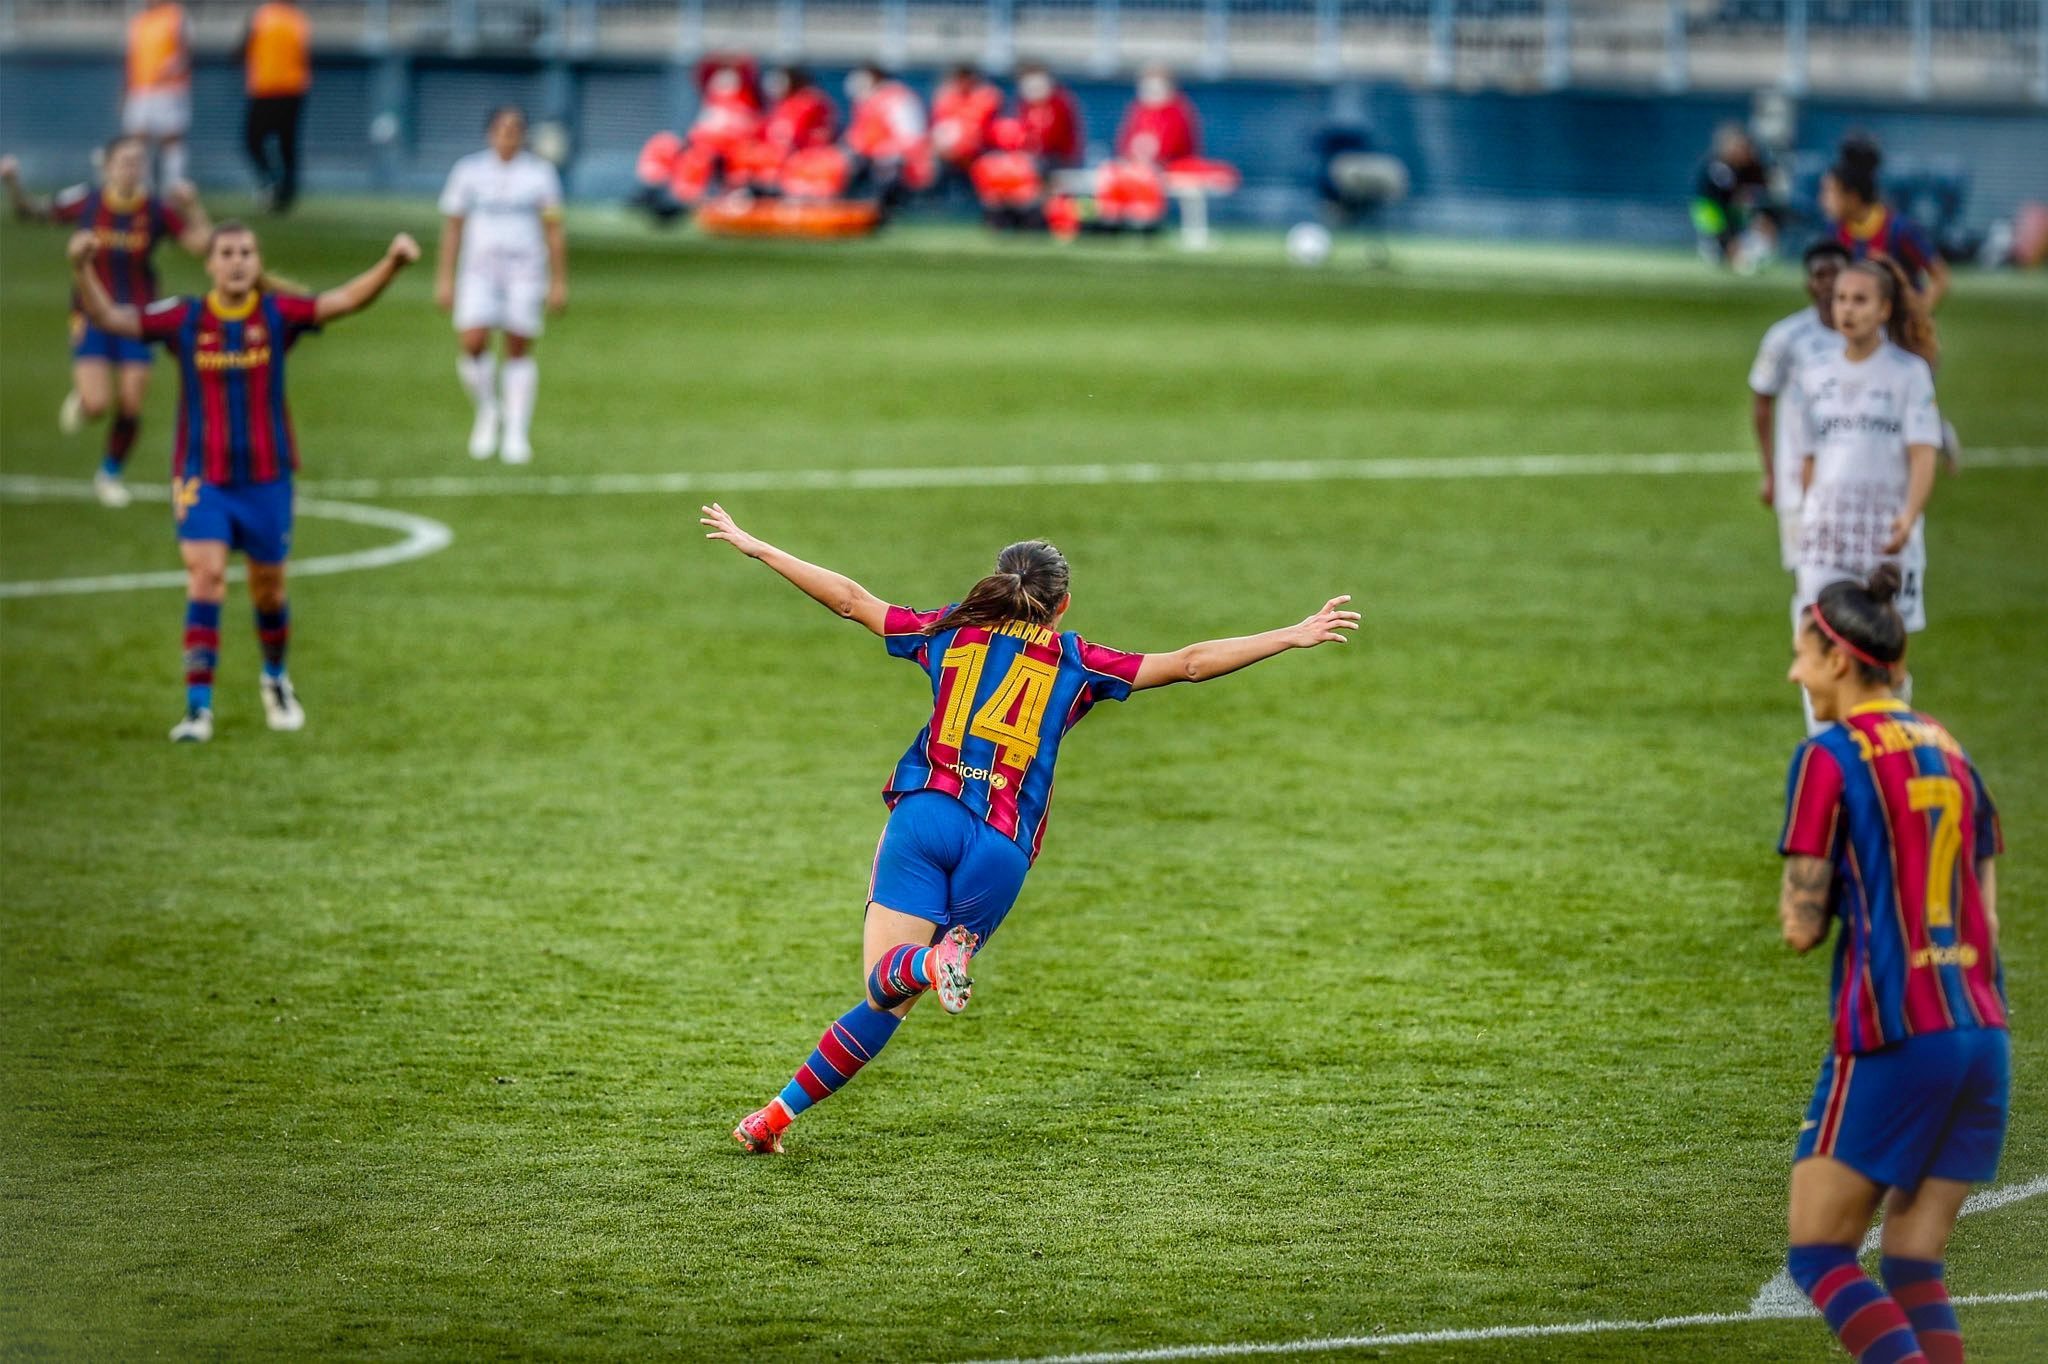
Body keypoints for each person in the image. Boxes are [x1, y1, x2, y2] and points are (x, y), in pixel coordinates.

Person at [700, 506, 1360, 1154]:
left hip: (928, 813)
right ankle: (775, 1118)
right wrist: (1289, 634)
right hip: (1002, 849)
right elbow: (1187, 662)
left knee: (884, 985)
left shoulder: (947, 632)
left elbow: (849, 600)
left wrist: (759, 546)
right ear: (1062, 604)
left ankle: (931, 962)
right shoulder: (1079, 661)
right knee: (891, 1003)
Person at [66, 221, 421, 742]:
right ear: (209, 264)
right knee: (205, 577)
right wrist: (81, 265)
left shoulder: (278, 314)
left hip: (267, 478)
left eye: (246, 253)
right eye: (227, 252)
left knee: (269, 590)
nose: (236, 261)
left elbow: (343, 301)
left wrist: (394, 262)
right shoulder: (183, 317)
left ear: (257, 264)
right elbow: (108, 316)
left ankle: (275, 678)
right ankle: (197, 709)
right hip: (201, 475)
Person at [1777, 565, 2006, 1364]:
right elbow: (1991, 912)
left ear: (1840, 661)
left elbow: (1801, 927)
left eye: (1803, 655)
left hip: (1895, 1030)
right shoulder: (1953, 751)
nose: (1795, 673)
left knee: (1819, 1252)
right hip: (1982, 1032)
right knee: (1912, 1263)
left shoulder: (1828, 758)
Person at [1, 139, 211, 507]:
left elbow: (202, 247)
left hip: (139, 318)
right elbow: (31, 212)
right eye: (125, 162)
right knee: (98, 404)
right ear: (108, 166)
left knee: (130, 402)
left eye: (137, 162)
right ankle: (85, 403)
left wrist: (193, 208)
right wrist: (13, 183)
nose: (132, 168)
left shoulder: (156, 210)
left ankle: (109, 474)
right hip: (92, 313)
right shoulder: (89, 201)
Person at [1790, 257, 1940, 732]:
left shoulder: (1909, 373)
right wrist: (1809, 513)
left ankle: (1889, 747)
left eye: (1860, 300)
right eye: (1840, 299)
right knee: (1818, 637)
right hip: (1827, 533)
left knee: (1888, 650)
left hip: (1886, 534)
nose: (1847, 310)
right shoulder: (1811, 373)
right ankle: (1827, 746)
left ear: (1884, 309)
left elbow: (1922, 453)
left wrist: (1909, 516)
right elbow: (1807, 456)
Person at [435, 106, 567, 464]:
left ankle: (516, 430)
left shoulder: (540, 174)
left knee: (518, 345)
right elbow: (453, 227)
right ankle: (488, 409)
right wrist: (444, 277)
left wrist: (558, 281)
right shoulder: (469, 171)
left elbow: (553, 229)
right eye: (502, 127)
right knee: (473, 340)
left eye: (515, 128)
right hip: (478, 270)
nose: (508, 134)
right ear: (489, 132)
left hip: (525, 270)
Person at [1749, 240, 1849, 573]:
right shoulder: (1786, 337)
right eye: (1821, 275)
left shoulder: (1873, 338)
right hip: (1795, 478)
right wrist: (1770, 471)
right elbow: (1762, 402)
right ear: (1809, 284)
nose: (1830, 282)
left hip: (1853, 479)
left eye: (1838, 273)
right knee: (1807, 579)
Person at [1823, 134, 1949, 310]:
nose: (1822, 200)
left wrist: (1918, 315)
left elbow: (1940, 276)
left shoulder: (1900, 229)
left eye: (1829, 192)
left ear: (1852, 196)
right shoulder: (1835, 231)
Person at [239, 0, 311, 213]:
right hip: (284, 89)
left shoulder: (264, 16)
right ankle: (279, 186)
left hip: (274, 88)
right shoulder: (295, 18)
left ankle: (278, 186)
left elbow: (243, 47)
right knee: (281, 142)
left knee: (261, 140)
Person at [1692, 122, 1780, 273]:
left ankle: (1743, 250)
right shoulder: (1717, 169)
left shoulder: (1751, 169)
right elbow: (1717, 207)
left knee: (1761, 222)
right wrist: (1727, 238)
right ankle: (1721, 248)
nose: (1745, 152)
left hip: (1740, 219)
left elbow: (1766, 195)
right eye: (1739, 147)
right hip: (1718, 219)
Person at [124, 0, 191, 190]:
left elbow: (185, 51)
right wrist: (125, 90)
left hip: (169, 90)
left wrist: (173, 67)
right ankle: (144, 191)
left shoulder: (176, 16)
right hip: (140, 90)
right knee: (137, 140)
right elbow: (132, 57)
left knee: (170, 140)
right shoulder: (139, 20)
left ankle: (173, 191)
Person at [929, 65, 1003, 194]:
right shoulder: (946, 97)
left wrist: (964, 144)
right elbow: (940, 125)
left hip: (981, 150)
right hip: (950, 153)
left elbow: (979, 126)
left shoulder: (987, 96)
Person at [1116, 67, 1200, 166]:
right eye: (1148, 89)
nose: (1152, 93)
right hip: (1141, 166)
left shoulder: (1178, 111)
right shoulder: (1138, 110)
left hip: (1172, 167)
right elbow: (1125, 141)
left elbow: (1175, 145)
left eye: (1157, 88)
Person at [1014, 63, 1083, 168]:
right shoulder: (1024, 107)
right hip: (1036, 159)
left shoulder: (1059, 105)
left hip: (1059, 160)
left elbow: (1054, 139)